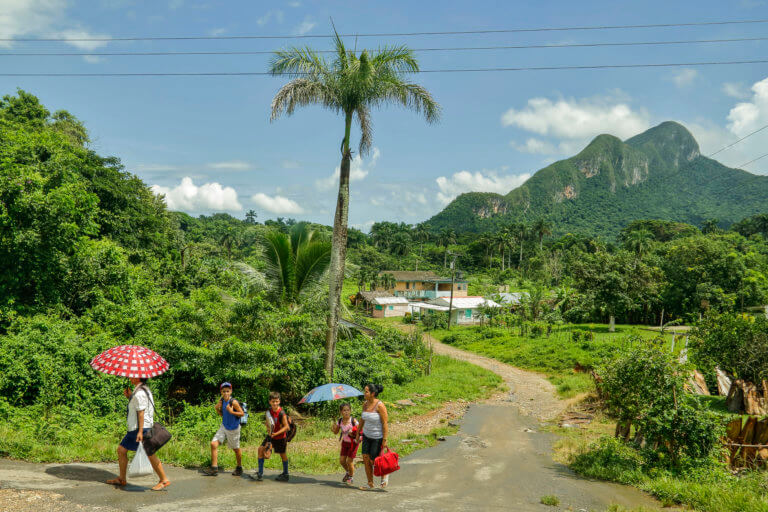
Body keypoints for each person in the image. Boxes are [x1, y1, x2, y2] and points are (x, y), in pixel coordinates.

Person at [106, 377, 170, 491]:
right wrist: (130, 397)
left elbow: (141, 412)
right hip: (137, 427)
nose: (130, 376)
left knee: (149, 453)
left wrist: (140, 432)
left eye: (132, 375)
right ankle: (121, 479)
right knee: (121, 450)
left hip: (140, 428)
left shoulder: (140, 392)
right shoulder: (142, 389)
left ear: (138, 377)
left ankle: (164, 480)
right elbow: (139, 406)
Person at [203, 382, 245, 476]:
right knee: (213, 444)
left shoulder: (233, 402)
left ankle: (239, 467)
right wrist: (217, 409)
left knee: (236, 449)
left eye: (227, 391)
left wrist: (231, 411)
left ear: (231, 391)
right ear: (221, 392)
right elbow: (223, 414)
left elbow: (242, 414)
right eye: (224, 391)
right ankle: (214, 468)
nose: (226, 393)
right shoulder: (222, 400)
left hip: (233, 429)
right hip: (224, 426)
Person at [355, 383, 389, 490]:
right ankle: (370, 483)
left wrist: (384, 439)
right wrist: (358, 432)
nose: (364, 393)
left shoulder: (380, 405)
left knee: (373, 461)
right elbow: (362, 419)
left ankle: (384, 476)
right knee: (365, 458)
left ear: (373, 393)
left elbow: (385, 423)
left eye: (366, 391)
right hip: (366, 436)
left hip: (377, 437)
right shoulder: (365, 404)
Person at [252, 391, 290, 482]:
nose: (275, 403)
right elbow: (267, 422)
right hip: (271, 436)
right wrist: (268, 429)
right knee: (260, 449)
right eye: (273, 401)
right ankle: (260, 474)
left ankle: (285, 474)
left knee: (282, 455)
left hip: (280, 437)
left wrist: (276, 434)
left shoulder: (282, 413)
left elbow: (287, 427)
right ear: (270, 402)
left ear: (279, 401)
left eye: (276, 401)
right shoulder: (268, 411)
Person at [330, 402, 359, 485]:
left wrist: (353, 431)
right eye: (344, 410)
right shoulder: (340, 421)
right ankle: (348, 472)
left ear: (350, 411)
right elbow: (336, 432)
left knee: (349, 461)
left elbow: (360, 430)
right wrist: (333, 428)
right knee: (342, 461)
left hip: (353, 444)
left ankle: (351, 477)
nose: (346, 412)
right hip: (345, 443)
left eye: (348, 410)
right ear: (341, 412)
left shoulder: (353, 421)